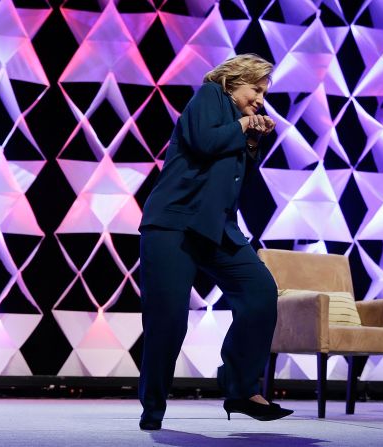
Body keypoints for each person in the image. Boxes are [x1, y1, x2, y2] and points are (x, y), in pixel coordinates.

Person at [137, 54, 293, 431]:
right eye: (256, 90)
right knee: (168, 321)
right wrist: (244, 125)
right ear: (234, 81)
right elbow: (205, 143)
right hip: (175, 224)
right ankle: (153, 407)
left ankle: (240, 388)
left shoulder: (236, 123)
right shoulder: (210, 95)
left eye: (263, 94)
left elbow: (236, 177)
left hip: (217, 228)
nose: (260, 100)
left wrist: (252, 140)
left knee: (259, 292)